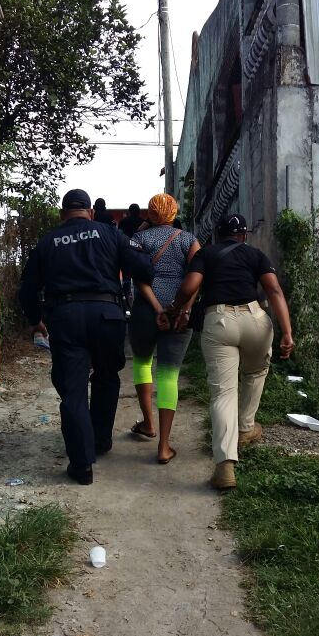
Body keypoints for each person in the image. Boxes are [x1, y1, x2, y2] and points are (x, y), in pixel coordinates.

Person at [18, 189, 154, 485]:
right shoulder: (111, 233)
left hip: (66, 319)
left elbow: (27, 289)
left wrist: (36, 320)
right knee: (106, 377)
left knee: (73, 390)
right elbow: (144, 269)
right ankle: (101, 439)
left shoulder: (48, 242)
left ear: (62, 213)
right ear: (91, 213)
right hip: (107, 316)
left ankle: (81, 466)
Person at [169, 213, 294, 490]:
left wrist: (175, 308)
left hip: (219, 321)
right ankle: (246, 428)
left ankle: (225, 465)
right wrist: (287, 332)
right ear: (244, 236)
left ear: (218, 234)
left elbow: (190, 286)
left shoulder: (206, 254)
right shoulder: (255, 255)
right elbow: (274, 291)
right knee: (255, 371)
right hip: (256, 319)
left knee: (224, 393)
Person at [128, 193, 201, 464]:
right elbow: (197, 278)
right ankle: (164, 446)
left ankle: (148, 424)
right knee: (169, 375)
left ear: (150, 213)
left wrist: (157, 308)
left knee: (142, 363)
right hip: (178, 313)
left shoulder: (139, 239)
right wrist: (185, 308)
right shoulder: (188, 240)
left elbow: (138, 276)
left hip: (145, 311)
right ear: (174, 212)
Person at [118, 204, 143, 303]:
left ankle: (126, 298)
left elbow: (119, 236)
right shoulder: (142, 222)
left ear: (129, 212)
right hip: (139, 253)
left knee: (126, 278)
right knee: (139, 278)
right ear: (139, 212)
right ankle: (138, 298)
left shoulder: (123, 221)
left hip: (126, 252)